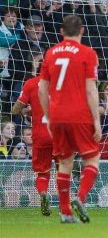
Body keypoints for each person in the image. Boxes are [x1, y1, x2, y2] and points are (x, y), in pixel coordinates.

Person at [38, 15, 101, 224]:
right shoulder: (88, 53)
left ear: (61, 32)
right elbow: (91, 90)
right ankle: (81, 198)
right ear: (82, 31)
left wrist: (48, 117)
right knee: (92, 158)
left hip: (57, 117)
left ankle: (65, 212)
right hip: (80, 115)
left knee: (64, 163)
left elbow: (42, 89)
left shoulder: (50, 53)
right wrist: (97, 121)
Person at [11, 67, 53, 216]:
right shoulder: (62, 84)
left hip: (41, 135)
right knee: (64, 170)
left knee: (42, 173)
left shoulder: (31, 83)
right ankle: (65, 205)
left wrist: (29, 110)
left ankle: (43, 194)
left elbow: (16, 110)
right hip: (60, 134)